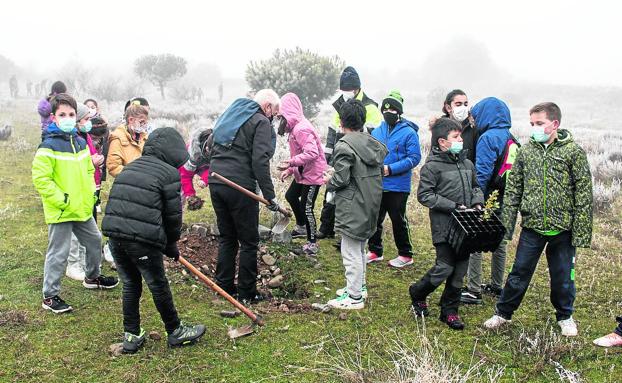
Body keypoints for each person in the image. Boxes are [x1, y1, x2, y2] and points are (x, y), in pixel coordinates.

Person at [484, 102, 593, 337]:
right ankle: (503, 313)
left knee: (563, 277)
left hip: (563, 229)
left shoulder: (573, 152)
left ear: (554, 124)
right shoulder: (526, 152)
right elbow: (513, 191)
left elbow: (584, 193)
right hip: (532, 227)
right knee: (519, 272)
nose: (534, 127)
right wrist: (506, 227)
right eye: (532, 123)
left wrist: (580, 232)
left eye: (539, 123)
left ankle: (565, 316)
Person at [102, 127, 206, 353]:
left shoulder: (130, 169)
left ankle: (132, 335)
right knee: (158, 283)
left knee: (130, 283)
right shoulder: (168, 174)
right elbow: (172, 217)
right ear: (173, 152)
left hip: (114, 237)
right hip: (140, 241)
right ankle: (176, 331)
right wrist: (171, 245)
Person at [32, 93, 118, 314]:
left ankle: (92, 277)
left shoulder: (80, 143)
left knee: (94, 239)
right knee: (58, 253)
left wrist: (90, 195)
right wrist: (62, 200)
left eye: (71, 114)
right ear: (54, 117)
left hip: (81, 208)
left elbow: (89, 170)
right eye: (63, 114)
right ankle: (49, 296)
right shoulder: (47, 146)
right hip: (61, 210)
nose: (68, 117)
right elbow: (41, 179)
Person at [409, 118, 484, 330]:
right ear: (442, 142)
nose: (461, 139)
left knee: (460, 271)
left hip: (466, 227)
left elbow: (476, 187)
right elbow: (425, 195)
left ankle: (450, 311)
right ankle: (418, 292)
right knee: (444, 267)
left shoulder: (467, 164)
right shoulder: (432, 167)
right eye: (456, 137)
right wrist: (453, 205)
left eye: (460, 135)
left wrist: (477, 202)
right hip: (444, 227)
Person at [207, 89, 280, 303]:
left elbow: (209, 146)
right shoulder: (260, 121)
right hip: (240, 188)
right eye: (274, 112)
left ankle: (224, 287)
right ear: (267, 107)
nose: (274, 118)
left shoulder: (232, 115)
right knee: (249, 240)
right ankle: (247, 293)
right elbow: (260, 161)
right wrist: (270, 196)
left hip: (216, 181)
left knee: (228, 237)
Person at [325, 99, 387, 310]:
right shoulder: (371, 143)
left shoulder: (344, 145)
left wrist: (329, 180)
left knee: (350, 250)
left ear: (341, 122)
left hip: (353, 205)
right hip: (370, 203)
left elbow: (341, 179)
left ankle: (353, 298)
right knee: (360, 247)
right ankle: (359, 287)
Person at [318, 66, 383, 240]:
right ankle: (326, 227)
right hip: (340, 153)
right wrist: (327, 160)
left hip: (359, 158)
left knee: (351, 195)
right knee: (331, 194)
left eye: (349, 89)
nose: (345, 92)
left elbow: (374, 138)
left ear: (357, 88)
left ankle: (346, 233)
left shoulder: (370, 107)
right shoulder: (339, 104)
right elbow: (332, 132)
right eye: (343, 89)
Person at [461, 97, 515, 304]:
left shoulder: (488, 138)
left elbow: (482, 172)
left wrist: (476, 199)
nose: (473, 120)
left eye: (475, 115)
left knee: (476, 240)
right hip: (506, 198)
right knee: (499, 242)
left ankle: (473, 289)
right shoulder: (510, 137)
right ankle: (496, 285)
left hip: (489, 197)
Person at [367, 90, 421, 268]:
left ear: (399, 113)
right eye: (385, 111)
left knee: (398, 220)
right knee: (375, 218)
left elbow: (414, 158)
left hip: (398, 185)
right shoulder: (376, 131)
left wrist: (391, 169)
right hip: (378, 183)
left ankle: (405, 254)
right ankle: (375, 251)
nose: (388, 114)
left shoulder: (409, 132)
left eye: (392, 111)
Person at [277, 92, 327, 256]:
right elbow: (299, 154)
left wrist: (291, 163)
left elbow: (312, 153)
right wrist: (290, 170)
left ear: (289, 112)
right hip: (303, 172)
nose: (280, 120)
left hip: (312, 175)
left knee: (307, 207)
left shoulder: (302, 129)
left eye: (281, 115)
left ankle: (312, 245)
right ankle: (301, 227)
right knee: (291, 196)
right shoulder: (294, 128)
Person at [65, 104, 105, 281]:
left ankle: (84, 262)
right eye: (86, 119)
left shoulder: (84, 136)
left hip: (89, 187)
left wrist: (96, 161)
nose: (89, 123)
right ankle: (73, 264)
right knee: (75, 231)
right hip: (75, 190)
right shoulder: (70, 140)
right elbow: (73, 166)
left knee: (88, 230)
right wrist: (92, 162)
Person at [107, 103, 149, 177]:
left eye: (145, 122)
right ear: (131, 120)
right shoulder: (118, 138)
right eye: (142, 122)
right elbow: (113, 167)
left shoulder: (145, 138)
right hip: (127, 183)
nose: (144, 125)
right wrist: (135, 174)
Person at [180, 127, 212, 210]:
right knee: (180, 194)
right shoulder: (189, 153)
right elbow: (185, 176)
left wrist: (205, 179)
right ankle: (177, 216)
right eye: (207, 149)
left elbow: (214, 167)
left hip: (204, 166)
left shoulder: (218, 148)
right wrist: (190, 195)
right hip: (188, 167)